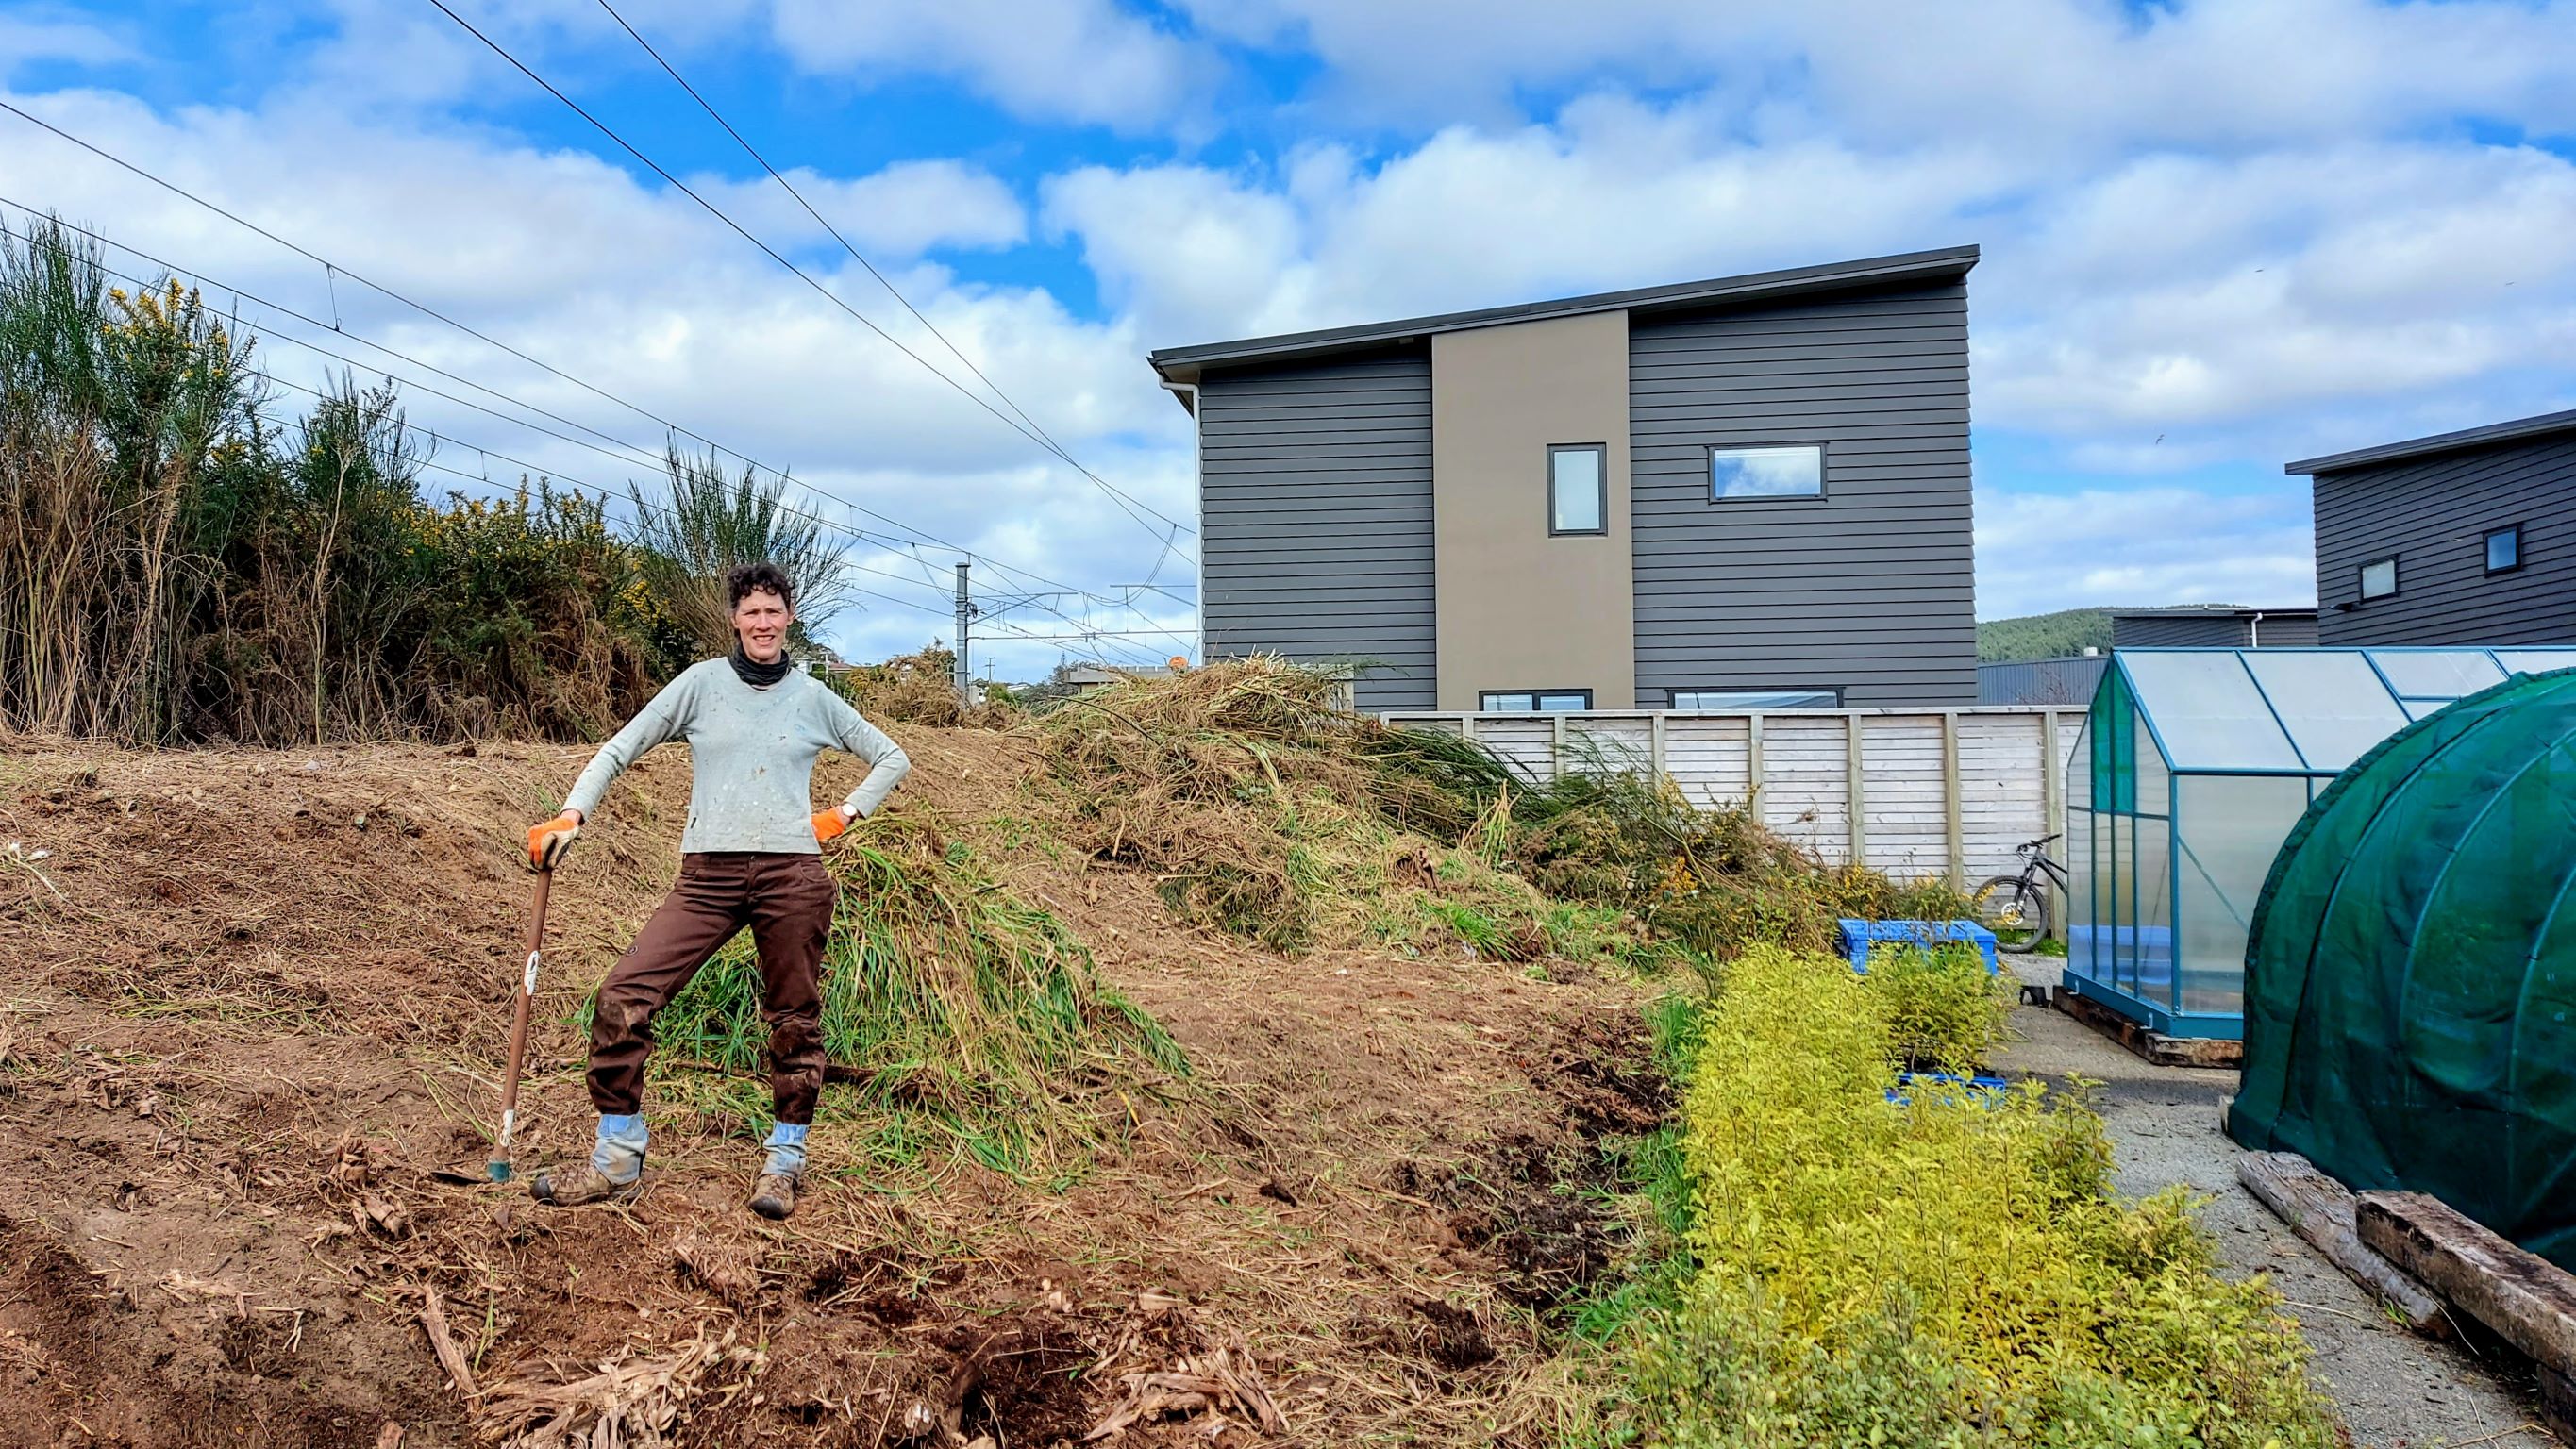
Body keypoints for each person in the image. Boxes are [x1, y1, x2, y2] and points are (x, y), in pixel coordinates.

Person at [521, 561, 910, 1220]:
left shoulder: (814, 697)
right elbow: (619, 749)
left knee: (794, 1021)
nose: (763, 622)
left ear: (791, 618)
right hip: (708, 877)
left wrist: (844, 814)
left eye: (774, 610)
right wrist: (572, 813)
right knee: (624, 995)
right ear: (734, 619)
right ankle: (617, 1157)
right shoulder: (700, 685)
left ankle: (784, 1162)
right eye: (751, 611)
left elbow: (891, 755)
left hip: (792, 876)